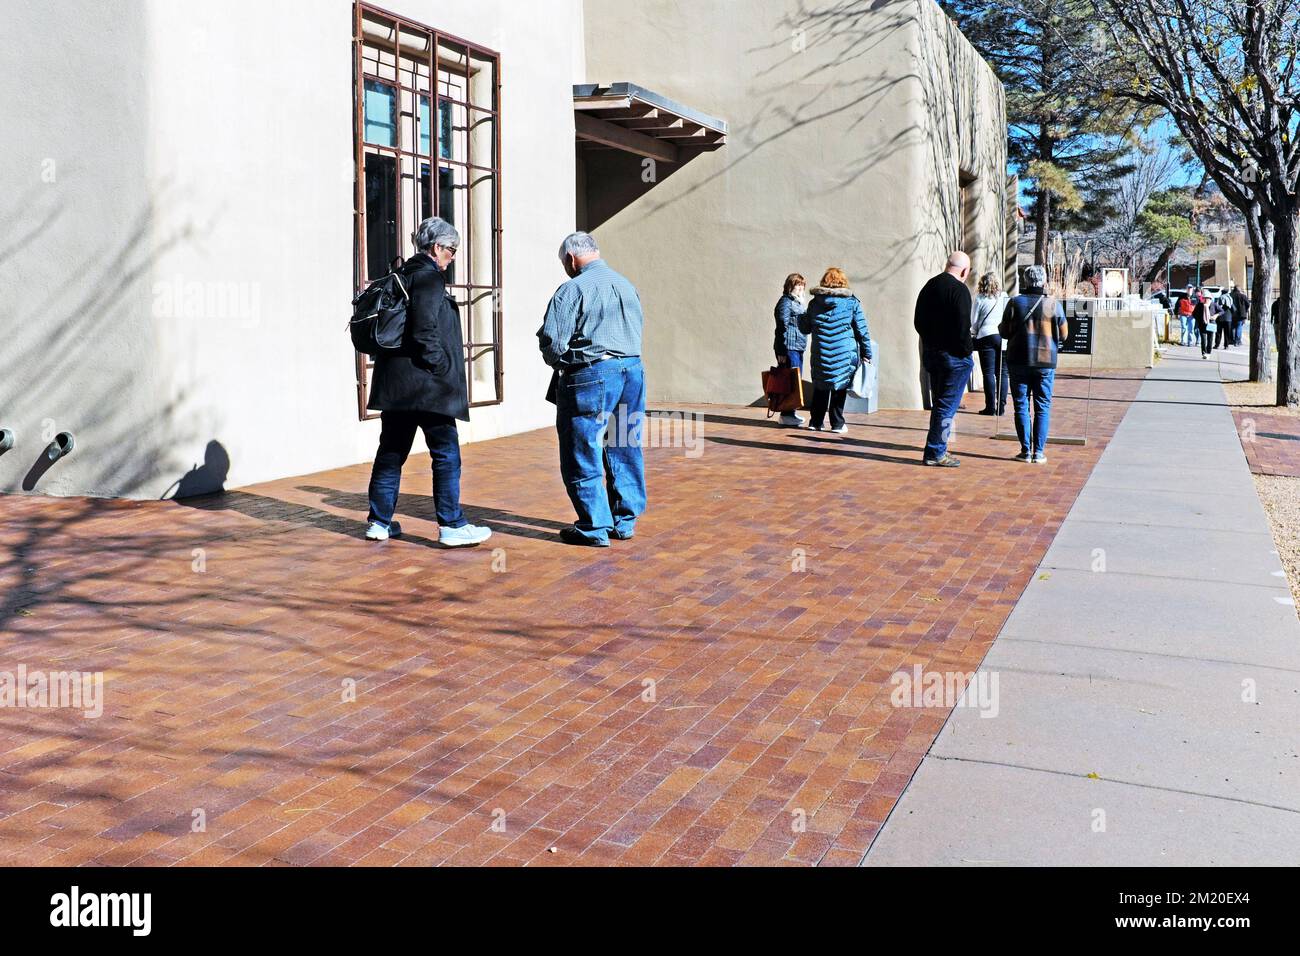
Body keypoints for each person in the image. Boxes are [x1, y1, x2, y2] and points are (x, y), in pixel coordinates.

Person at [365, 217, 492, 547]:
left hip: (396, 389)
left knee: (391, 453)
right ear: (437, 248)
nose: (453, 257)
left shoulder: (402, 274)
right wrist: (440, 369)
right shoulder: (427, 278)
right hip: (427, 388)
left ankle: (379, 522)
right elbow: (424, 331)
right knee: (446, 454)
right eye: (451, 250)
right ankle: (451, 525)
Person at [538, 231, 646, 548]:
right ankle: (624, 521)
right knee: (625, 443)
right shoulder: (626, 285)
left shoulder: (572, 289)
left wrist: (558, 360)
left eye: (565, 263)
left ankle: (593, 525)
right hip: (632, 370)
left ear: (571, 259)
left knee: (582, 447)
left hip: (591, 373)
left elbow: (552, 341)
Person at [999, 264, 1067, 464]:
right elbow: (1064, 334)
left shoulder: (1015, 303)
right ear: (1044, 281)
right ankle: (1039, 452)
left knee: (1021, 405)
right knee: (1042, 406)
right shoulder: (1052, 304)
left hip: (1018, 360)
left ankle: (1025, 451)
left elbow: (1004, 332)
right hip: (1045, 362)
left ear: (1025, 281)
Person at [914, 251, 974, 467]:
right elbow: (962, 328)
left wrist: (931, 341)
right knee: (947, 407)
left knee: (941, 404)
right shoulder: (959, 290)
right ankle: (936, 451)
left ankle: (938, 448)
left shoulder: (929, 286)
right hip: (954, 358)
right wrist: (966, 351)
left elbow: (918, 322)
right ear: (965, 271)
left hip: (932, 353)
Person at [798, 268, 872, 433]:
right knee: (839, 387)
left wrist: (801, 310)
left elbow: (804, 328)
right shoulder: (852, 303)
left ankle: (816, 421)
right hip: (844, 354)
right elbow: (862, 330)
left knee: (820, 386)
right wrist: (867, 353)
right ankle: (837, 423)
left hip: (821, 352)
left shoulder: (814, 303)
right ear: (843, 282)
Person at [772, 273, 807, 428]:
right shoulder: (786, 302)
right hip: (789, 347)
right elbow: (781, 326)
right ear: (789, 286)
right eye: (797, 285)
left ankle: (790, 413)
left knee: (794, 381)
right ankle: (786, 415)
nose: (800, 288)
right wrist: (781, 350)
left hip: (798, 346)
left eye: (801, 285)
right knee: (789, 381)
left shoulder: (799, 302)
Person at [971, 272, 1008, 416]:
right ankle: (1002, 408)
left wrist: (973, 332)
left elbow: (973, 321)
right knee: (1002, 373)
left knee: (988, 373)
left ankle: (990, 407)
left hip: (986, 335)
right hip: (1003, 337)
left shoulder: (980, 298)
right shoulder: (1004, 296)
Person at [1195, 287, 1216, 358]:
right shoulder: (1200, 305)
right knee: (1203, 340)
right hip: (1202, 324)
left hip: (1211, 324)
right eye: (1205, 298)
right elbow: (1194, 314)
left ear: (1210, 298)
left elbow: (1221, 311)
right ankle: (1204, 353)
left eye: (1208, 298)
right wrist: (1200, 320)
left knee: (1210, 339)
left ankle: (1208, 353)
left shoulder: (1213, 304)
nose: (1207, 300)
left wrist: (1216, 315)